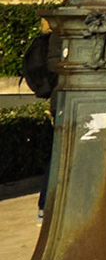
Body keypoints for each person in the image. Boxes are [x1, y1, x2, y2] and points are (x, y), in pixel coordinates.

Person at [23, 20, 57, 220]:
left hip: (60, 100)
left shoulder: (54, 37)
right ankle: (45, 206)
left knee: (60, 152)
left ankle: (45, 206)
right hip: (66, 100)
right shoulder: (61, 37)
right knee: (61, 153)